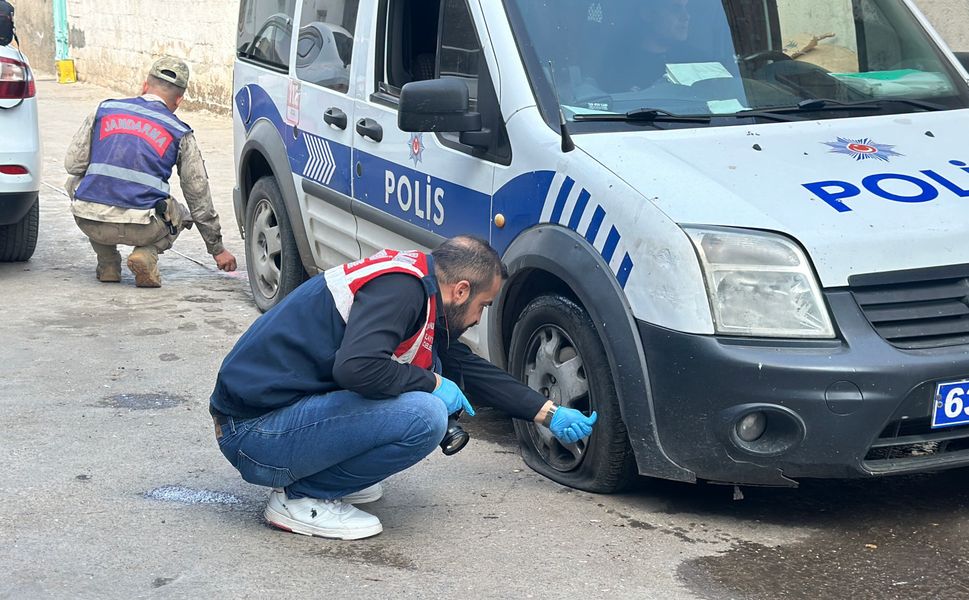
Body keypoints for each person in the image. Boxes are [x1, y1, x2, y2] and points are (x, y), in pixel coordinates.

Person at [209, 236, 598, 540]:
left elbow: (469, 368)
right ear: (461, 290)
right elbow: (357, 369)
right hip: (252, 433)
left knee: (436, 367)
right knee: (424, 415)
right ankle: (301, 497)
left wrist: (546, 412)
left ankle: (323, 479)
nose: (479, 318)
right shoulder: (401, 290)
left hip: (267, 419)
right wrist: (430, 382)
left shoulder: (418, 284)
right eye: (483, 305)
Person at [65, 56, 237, 287]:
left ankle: (107, 262)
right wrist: (217, 249)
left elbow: (73, 164)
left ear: (145, 86)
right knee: (184, 212)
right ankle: (147, 253)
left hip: (92, 221)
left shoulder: (103, 110)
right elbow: (199, 196)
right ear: (179, 100)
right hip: (143, 227)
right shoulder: (179, 131)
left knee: (76, 182)